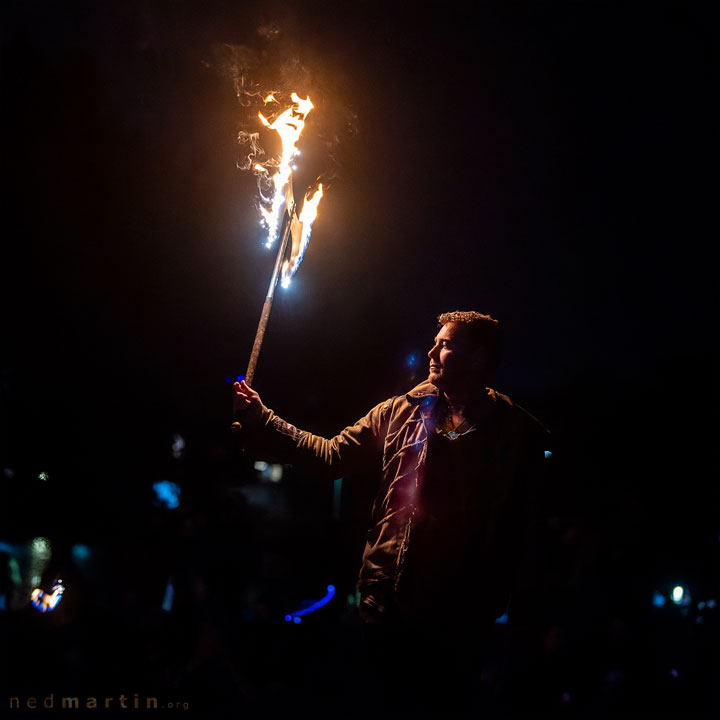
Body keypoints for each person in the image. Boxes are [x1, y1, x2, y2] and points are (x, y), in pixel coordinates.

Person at [232, 311, 551, 712]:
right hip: (385, 607)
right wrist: (264, 421)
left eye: (446, 344)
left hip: (459, 622)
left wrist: (520, 627)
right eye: (435, 341)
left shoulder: (516, 436)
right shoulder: (399, 412)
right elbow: (332, 456)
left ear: (478, 359)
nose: (432, 349)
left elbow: (527, 535)